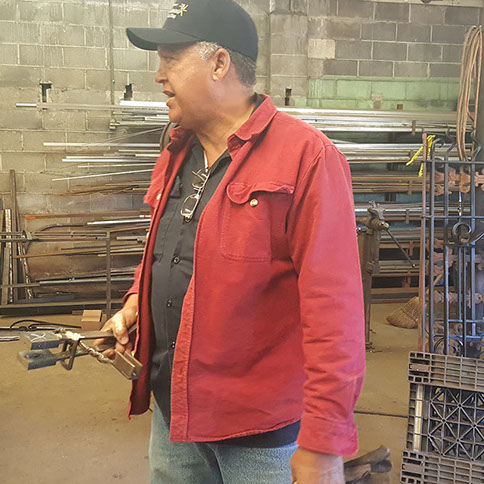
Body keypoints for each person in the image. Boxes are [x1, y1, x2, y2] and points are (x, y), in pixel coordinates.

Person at [100, 0, 365, 482]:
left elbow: (335, 311)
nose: (159, 76)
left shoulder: (306, 158)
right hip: (173, 410)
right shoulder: (177, 150)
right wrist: (137, 300)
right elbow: (165, 248)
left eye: (171, 59)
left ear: (220, 63)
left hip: (259, 432)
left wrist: (324, 443)